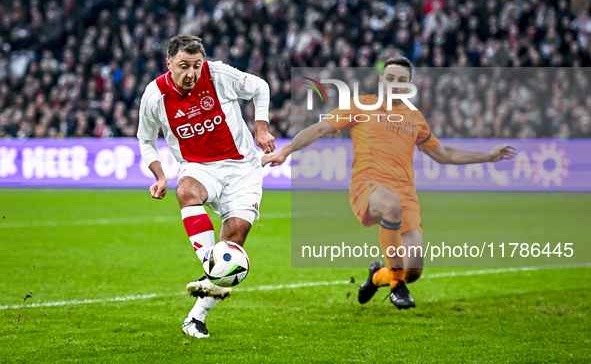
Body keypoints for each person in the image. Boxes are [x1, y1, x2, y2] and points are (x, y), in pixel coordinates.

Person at [261, 57, 515, 309]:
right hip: (367, 184)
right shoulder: (361, 105)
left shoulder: (415, 117)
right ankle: (396, 286)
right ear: (381, 80)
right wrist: (286, 150)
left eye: (402, 80)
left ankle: (378, 276)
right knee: (391, 206)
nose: (395, 83)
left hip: (406, 192)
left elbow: (443, 154)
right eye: (390, 78)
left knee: (413, 269)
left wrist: (488, 156)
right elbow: (318, 129)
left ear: (409, 86)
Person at [137, 35, 274, 338]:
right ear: (169, 64)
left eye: (196, 66)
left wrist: (261, 127)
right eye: (184, 66)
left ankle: (194, 319)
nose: (191, 74)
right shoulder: (155, 95)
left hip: (243, 169)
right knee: (185, 191)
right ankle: (212, 266)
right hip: (199, 167)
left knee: (236, 236)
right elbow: (146, 141)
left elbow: (260, 87)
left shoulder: (218, 74)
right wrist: (160, 175)